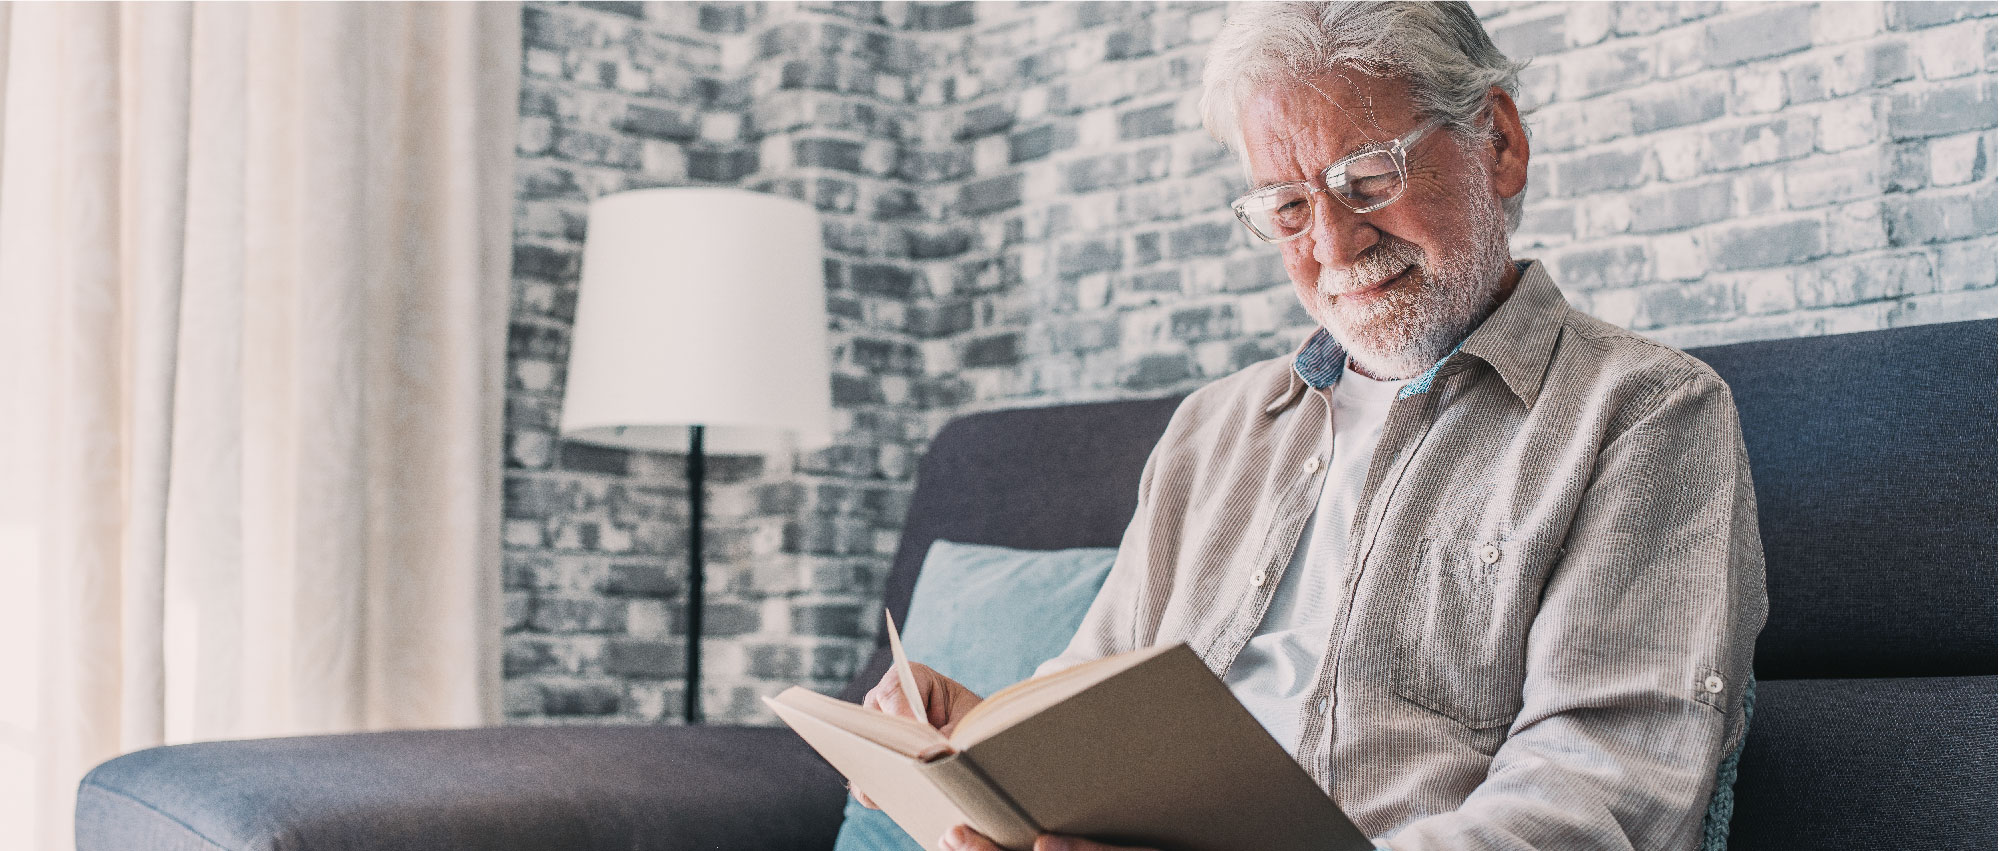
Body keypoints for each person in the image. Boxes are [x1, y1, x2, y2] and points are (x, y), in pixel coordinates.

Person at [858, 3, 1768, 850]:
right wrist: (973, 735)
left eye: (1369, 178)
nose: (1333, 245)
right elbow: (1086, 698)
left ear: (1499, 141)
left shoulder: (1646, 413)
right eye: (1288, 206)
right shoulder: (1210, 431)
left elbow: (1600, 792)